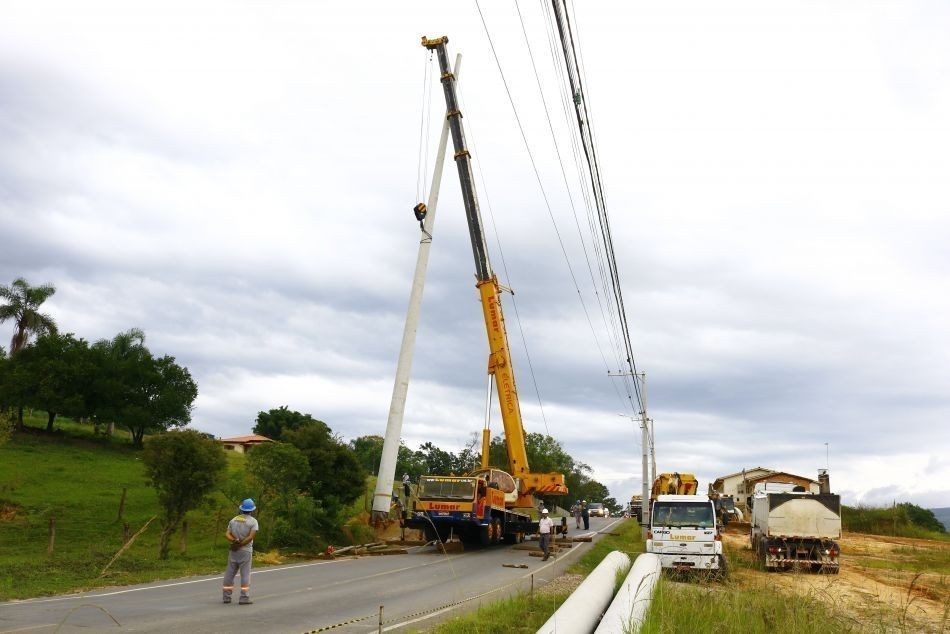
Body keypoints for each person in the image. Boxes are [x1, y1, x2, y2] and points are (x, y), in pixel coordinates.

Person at [222, 498, 259, 605]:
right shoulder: (253, 521)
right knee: (245, 574)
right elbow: (250, 537)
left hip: (234, 550)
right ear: (252, 510)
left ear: (242, 508)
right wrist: (241, 545)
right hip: (245, 551)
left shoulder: (234, 520)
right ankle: (244, 598)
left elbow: (227, 534)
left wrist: (234, 542)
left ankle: (226, 597)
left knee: (229, 573)